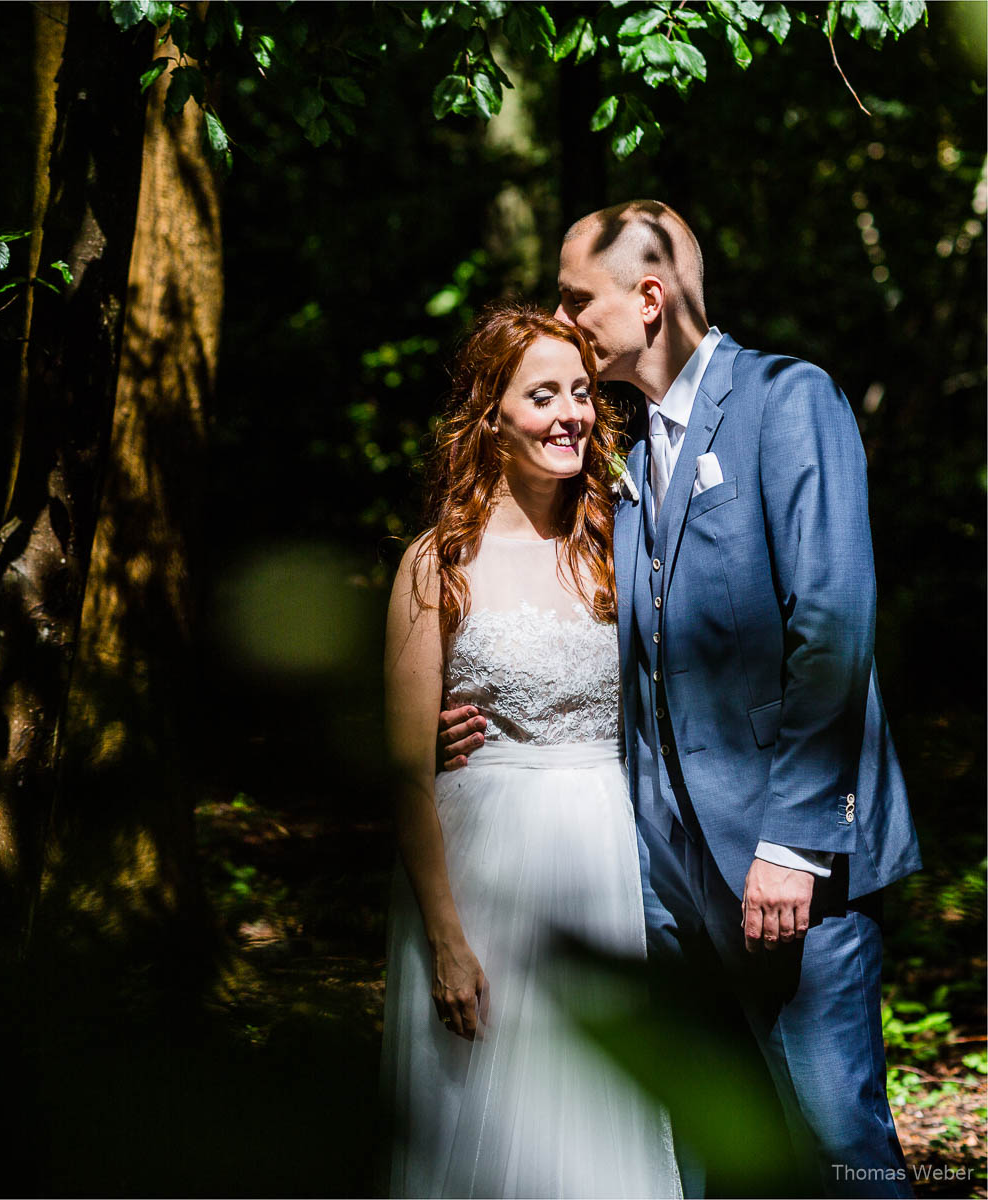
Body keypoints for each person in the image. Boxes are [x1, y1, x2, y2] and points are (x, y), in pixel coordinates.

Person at [439, 200, 921, 1197]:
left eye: (578, 300)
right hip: (663, 887)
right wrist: (482, 721)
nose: (566, 320)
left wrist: (794, 845)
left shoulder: (787, 400)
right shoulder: (622, 455)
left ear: (648, 299)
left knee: (840, 1151)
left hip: (791, 873)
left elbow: (831, 625)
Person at [379, 302, 682, 1198]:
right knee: (488, 1126)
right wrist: (445, 938)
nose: (570, 414)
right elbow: (403, 772)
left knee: (598, 1118)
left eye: (582, 392)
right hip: (484, 873)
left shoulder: (621, 547)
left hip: (607, 864)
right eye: (541, 393)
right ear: (491, 413)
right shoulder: (438, 564)